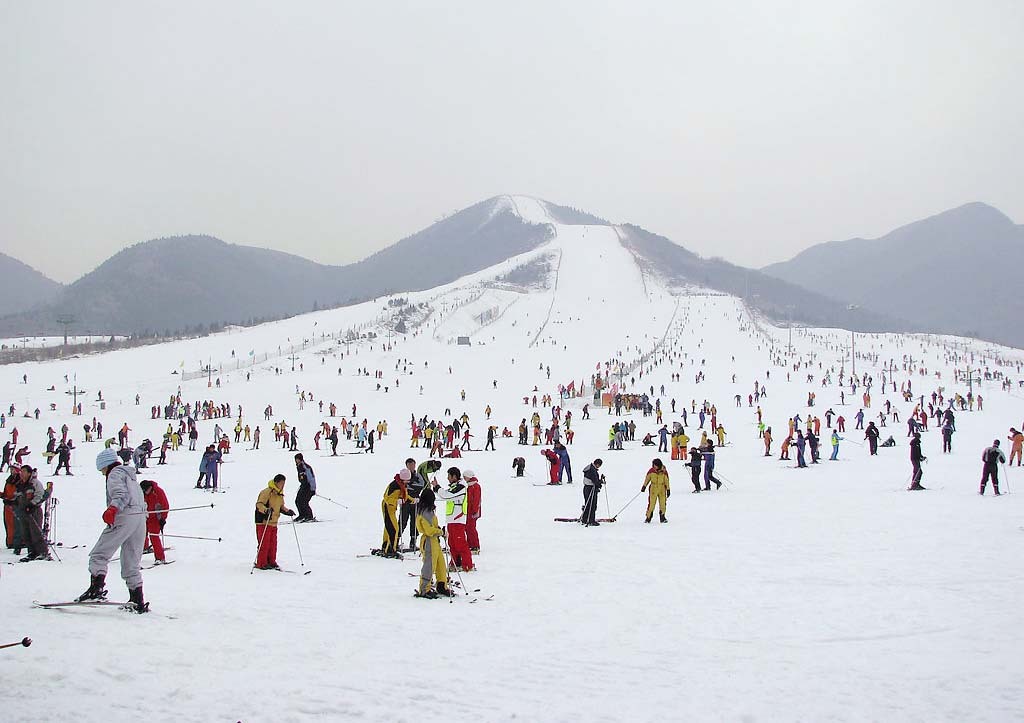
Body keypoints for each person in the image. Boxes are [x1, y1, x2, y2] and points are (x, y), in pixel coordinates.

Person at [77, 449, 148, 613]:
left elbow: (120, 495)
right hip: (140, 518)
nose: (102, 474)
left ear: (106, 465)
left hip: (125, 516)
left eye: (102, 470)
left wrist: (112, 509)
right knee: (131, 561)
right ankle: (137, 599)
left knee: (99, 554)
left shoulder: (115, 474)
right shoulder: (131, 478)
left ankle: (96, 590)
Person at [433, 467, 473, 571]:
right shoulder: (455, 486)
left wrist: (437, 487)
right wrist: (436, 488)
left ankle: (467, 564)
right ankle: (455, 563)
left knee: (460, 543)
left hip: (458, 519)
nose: (448, 478)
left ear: (454, 476)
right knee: (452, 543)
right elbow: (444, 495)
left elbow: (447, 495)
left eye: (449, 476)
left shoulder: (461, 487)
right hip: (452, 519)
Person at [414, 488, 450, 598]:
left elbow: (432, 526)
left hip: (435, 541)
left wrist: (439, 530)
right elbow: (429, 530)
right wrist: (440, 532)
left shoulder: (428, 510)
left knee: (440, 564)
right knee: (429, 566)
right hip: (429, 542)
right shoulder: (425, 512)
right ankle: (424, 588)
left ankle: (441, 585)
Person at [254, 474, 295, 570]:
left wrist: (287, 511)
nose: (283, 485)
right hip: (264, 521)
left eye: (284, 483)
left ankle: (271, 561)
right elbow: (259, 504)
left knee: (273, 543)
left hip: (273, 522)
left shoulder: (280, 494)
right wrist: (266, 510)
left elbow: (281, 506)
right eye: (281, 483)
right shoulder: (267, 492)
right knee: (264, 543)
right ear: (276, 482)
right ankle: (262, 563)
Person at [16, 465, 49, 561]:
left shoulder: (35, 483)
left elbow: (40, 495)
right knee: (26, 532)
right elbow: (18, 495)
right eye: (21, 472)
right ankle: (32, 552)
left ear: (29, 473)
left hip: (34, 511)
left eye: (24, 471)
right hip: (23, 511)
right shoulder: (21, 483)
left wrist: (32, 504)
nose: (21, 474)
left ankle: (43, 552)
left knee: (36, 532)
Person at [377, 468, 410, 557]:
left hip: (392, 508)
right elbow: (386, 497)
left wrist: (412, 500)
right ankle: (390, 549)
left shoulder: (401, 484)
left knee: (389, 527)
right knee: (394, 529)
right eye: (407, 480)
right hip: (387, 507)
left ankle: (385, 546)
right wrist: (396, 501)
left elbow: (404, 496)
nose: (408, 481)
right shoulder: (394, 485)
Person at [400, 458, 427, 552]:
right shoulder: (403, 475)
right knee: (402, 521)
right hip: (406, 502)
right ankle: (396, 539)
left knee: (415, 522)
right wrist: (411, 485)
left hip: (415, 502)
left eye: (413, 465)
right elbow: (403, 486)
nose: (411, 467)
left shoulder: (418, 475)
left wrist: (411, 485)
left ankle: (413, 541)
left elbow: (421, 485)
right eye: (409, 465)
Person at [139, 479, 169, 563]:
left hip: (156, 518)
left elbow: (165, 506)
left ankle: (160, 557)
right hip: (145, 516)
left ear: (150, 488)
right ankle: (144, 547)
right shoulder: (142, 493)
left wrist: (163, 518)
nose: (145, 492)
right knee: (141, 533)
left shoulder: (158, 492)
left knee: (154, 536)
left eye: (146, 490)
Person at [641, 458, 670, 523]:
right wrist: (644, 486)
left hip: (662, 489)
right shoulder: (651, 471)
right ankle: (648, 517)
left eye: (655, 465)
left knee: (663, 503)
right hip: (653, 489)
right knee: (651, 504)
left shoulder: (664, 471)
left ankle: (662, 517)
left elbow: (667, 481)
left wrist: (668, 489)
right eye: (653, 465)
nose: (654, 466)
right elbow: (647, 479)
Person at [293, 453, 316, 522]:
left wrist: (313, 489)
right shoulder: (299, 466)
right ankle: (302, 515)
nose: (296, 461)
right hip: (303, 486)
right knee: (297, 501)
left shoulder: (305, 467)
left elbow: (311, 478)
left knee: (304, 502)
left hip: (308, 487)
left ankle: (309, 516)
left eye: (297, 459)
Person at [581, 459, 604, 525]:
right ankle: (591, 520)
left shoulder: (590, 467)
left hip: (587, 488)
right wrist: (600, 482)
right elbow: (595, 481)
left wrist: (599, 481)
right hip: (590, 489)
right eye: (599, 465)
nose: (599, 467)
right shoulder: (592, 470)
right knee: (592, 504)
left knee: (587, 504)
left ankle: (585, 519)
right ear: (597, 464)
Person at [464, 469, 482, 553]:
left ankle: (475, 545)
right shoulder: (470, 486)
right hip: (468, 510)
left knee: (471, 528)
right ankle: (470, 544)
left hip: (473, 511)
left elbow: (476, 500)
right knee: (468, 528)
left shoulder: (475, 486)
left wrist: (474, 510)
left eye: (465, 477)